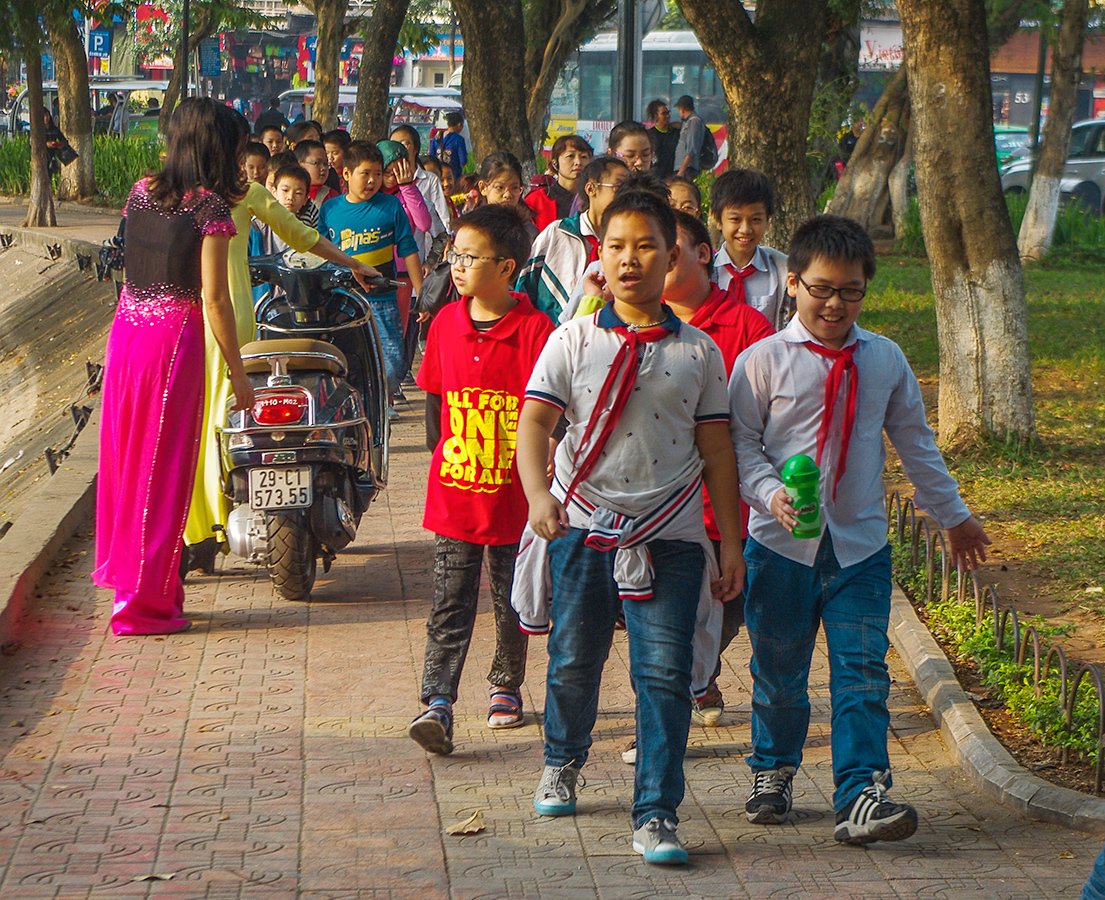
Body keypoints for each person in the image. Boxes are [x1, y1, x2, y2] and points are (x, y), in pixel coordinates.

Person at [729, 214, 991, 845]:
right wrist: (769, 496)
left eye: (850, 290)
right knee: (779, 672)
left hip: (860, 548)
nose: (835, 303)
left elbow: (915, 445)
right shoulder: (762, 361)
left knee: (862, 674)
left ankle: (861, 794)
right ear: (792, 284)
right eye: (821, 288)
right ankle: (773, 769)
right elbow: (739, 445)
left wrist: (952, 516)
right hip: (779, 547)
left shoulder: (883, 360)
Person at [513, 189, 745, 866]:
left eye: (645, 245)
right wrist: (535, 494)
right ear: (599, 255)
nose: (629, 259)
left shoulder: (698, 352)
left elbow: (718, 451)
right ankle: (561, 759)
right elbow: (534, 423)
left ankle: (656, 814)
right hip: (582, 528)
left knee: (665, 676)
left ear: (672, 257)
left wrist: (728, 542)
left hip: (671, 536)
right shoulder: (573, 339)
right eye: (615, 246)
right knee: (572, 662)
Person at [182, 122, 381, 572]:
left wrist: (351, 262)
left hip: (192, 319)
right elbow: (300, 236)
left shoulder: (181, 197)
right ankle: (214, 525)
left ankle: (201, 531)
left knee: (199, 428)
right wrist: (351, 264)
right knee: (225, 421)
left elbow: (300, 235)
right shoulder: (239, 194)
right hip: (228, 319)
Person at [94, 98, 253, 635]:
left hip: (128, 334)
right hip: (170, 341)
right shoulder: (208, 208)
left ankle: (149, 590)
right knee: (163, 469)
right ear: (216, 145)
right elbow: (215, 300)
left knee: (129, 462)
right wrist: (239, 370)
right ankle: (143, 606)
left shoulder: (141, 191)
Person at [407, 204, 554, 755]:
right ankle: (436, 703)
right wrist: (441, 458)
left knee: (511, 598)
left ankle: (505, 684)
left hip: (516, 501)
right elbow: (434, 399)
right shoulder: (445, 322)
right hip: (456, 496)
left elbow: (549, 414)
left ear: (507, 267)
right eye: (456, 255)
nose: (459, 265)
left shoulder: (536, 331)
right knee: (450, 601)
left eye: (471, 257)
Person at [319, 140, 423, 415]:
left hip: (383, 299)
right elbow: (319, 252)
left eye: (378, 173)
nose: (372, 180)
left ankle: (376, 399)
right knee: (345, 361)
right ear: (347, 174)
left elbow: (409, 248)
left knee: (394, 364)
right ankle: (359, 408)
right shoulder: (330, 210)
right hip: (342, 302)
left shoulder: (390, 206)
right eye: (365, 173)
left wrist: (422, 294)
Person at [516, 154, 629, 322]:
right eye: (619, 187)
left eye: (630, 188)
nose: (626, 195)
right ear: (591, 189)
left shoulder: (630, 243)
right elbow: (524, 289)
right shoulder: (558, 233)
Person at [710, 168, 792, 332]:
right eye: (735, 219)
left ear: (767, 220)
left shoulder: (781, 272)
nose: (745, 229)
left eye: (756, 219)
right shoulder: (704, 272)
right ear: (718, 220)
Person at [525, 134, 593, 232]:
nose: (578, 162)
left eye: (583, 157)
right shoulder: (536, 200)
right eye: (570, 156)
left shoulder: (593, 198)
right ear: (555, 163)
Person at [294, 139, 336, 207]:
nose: (323, 168)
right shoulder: (289, 193)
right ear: (300, 164)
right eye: (317, 163)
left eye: (325, 163)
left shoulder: (332, 196)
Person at [673, 95, 705, 180]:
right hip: (685, 168)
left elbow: (691, 149)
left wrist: (681, 171)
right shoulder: (688, 121)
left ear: (682, 109)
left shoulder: (694, 122)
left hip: (688, 169)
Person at [430, 110, 468, 180]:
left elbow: (431, 157)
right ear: (459, 124)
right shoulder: (459, 139)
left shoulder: (436, 137)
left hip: (438, 175)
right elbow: (463, 161)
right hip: (453, 176)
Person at [647, 100, 680, 177]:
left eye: (668, 113)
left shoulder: (675, 132)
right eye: (664, 114)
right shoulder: (650, 134)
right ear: (656, 116)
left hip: (673, 173)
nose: (667, 116)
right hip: (656, 174)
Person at [324, 129, 351, 194]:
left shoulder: (352, 173)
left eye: (335, 153)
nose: (330, 158)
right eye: (327, 153)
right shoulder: (325, 175)